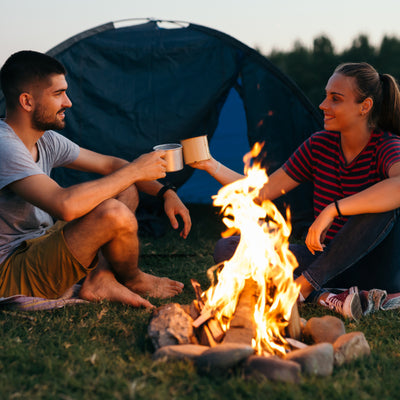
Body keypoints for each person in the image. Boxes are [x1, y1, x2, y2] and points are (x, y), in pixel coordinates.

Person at [191, 62, 400, 320]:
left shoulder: (386, 146)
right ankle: (328, 296)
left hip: (373, 265)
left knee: (382, 207)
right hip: (326, 261)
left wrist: (333, 210)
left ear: (364, 107)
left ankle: (303, 288)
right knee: (229, 248)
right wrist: (211, 165)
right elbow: (261, 192)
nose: (323, 105)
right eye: (325, 96)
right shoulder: (319, 146)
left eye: (335, 99)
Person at [0, 50, 192, 309]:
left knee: (126, 190)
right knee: (113, 212)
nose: (68, 102)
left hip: (39, 241)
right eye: (58, 94)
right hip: (11, 269)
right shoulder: (5, 146)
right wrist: (135, 170)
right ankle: (133, 279)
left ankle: (100, 278)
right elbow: (64, 205)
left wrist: (166, 193)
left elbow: (112, 165)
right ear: (27, 101)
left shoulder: (45, 139)